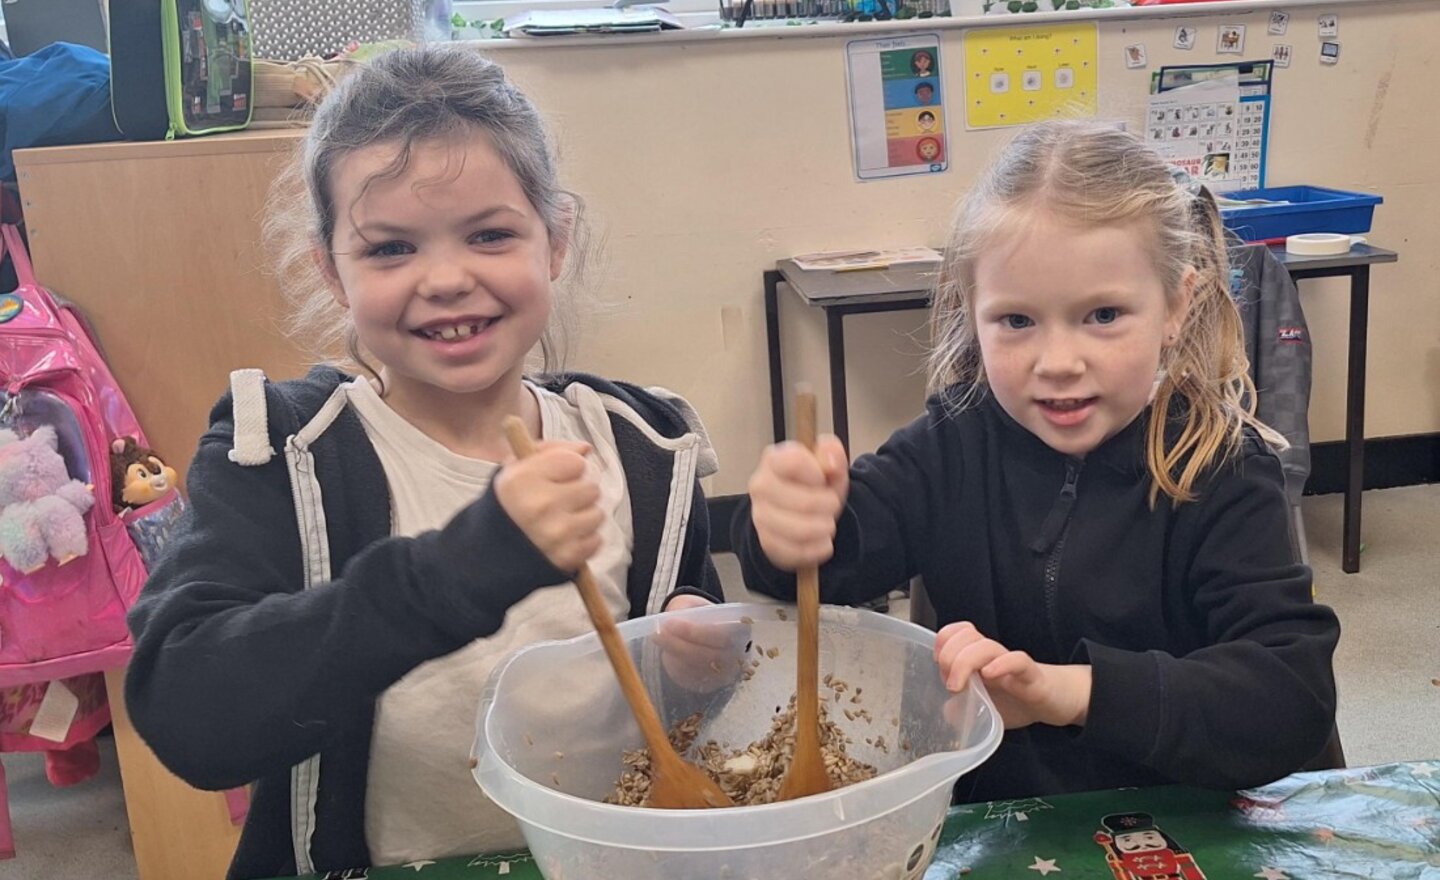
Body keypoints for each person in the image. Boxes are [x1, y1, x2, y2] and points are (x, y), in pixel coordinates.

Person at [126, 48, 725, 879]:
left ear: (555, 240)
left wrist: (701, 660)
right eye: (391, 249)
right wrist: (459, 569)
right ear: (330, 271)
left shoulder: (640, 448)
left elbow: (680, 688)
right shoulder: (284, 454)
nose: (446, 279)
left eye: (490, 235)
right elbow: (189, 715)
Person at [735, 120, 1339, 802]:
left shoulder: (1222, 467)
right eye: (1017, 321)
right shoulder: (950, 445)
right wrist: (786, 528)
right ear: (973, 312)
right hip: (996, 820)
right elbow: (824, 564)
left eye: (1103, 315)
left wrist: (1069, 692)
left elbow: (1290, 698)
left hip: (1179, 816)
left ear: (1176, 305)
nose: (1057, 363)